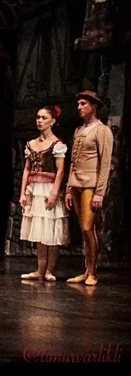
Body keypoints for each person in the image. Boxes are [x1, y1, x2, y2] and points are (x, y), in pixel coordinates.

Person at [65, 90, 113, 286]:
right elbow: (73, 161)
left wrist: (99, 192)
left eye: (83, 104)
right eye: (78, 104)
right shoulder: (78, 130)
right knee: (83, 230)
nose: (79, 107)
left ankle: (92, 272)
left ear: (94, 106)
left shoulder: (102, 131)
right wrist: (69, 187)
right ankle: (86, 270)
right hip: (77, 183)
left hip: (90, 185)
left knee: (87, 227)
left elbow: (105, 163)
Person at [19, 106, 68, 282]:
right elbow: (26, 170)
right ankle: (40, 269)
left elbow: (60, 170)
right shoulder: (31, 144)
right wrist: (23, 193)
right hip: (35, 189)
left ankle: (49, 270)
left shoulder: (57, 144)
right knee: (39, 230)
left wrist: (54, 193)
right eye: (38, 117)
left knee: (51, 229)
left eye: (44, 118)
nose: (39, 121)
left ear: (52, 121)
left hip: (48, 188)